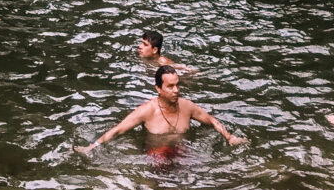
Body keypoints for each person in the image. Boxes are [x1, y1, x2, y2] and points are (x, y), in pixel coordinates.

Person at [76, 65, 246, 159]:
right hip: (156, 154)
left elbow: (211, 120)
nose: (176, 90)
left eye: (177, 85)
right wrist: (92, 146)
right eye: (170, 86)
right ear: (158, 88)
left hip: (184, 151)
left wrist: (230, 137)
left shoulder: (187, 106)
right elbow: (118, 129)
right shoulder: (147, 110)